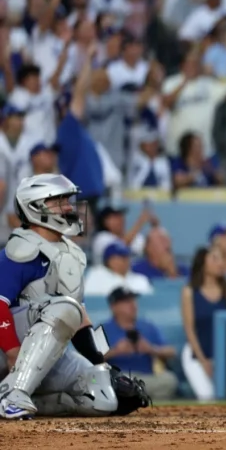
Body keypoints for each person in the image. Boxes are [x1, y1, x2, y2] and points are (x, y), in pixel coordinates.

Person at [0, 173, 150, 419]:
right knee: (65, 308)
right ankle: (13, 392)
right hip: (6, 347)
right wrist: (12, 350)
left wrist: (103, 363)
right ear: (35, 206)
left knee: (103, 398)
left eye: (67, 200)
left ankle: (20, 397)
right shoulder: (19, 250)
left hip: (39, 354)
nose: (69, 207)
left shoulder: (70, 253)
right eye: (59, 201)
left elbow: (81, 317)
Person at [102, 287, 178, 400]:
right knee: (118, 383)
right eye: (127, 302)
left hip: (147, 378)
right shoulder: (104, 329)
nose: (133, 305)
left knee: (169, 379)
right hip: (121, 377)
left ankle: (144, 400)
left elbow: (172, 351)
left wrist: (151, 349)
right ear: (114, 307)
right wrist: (116, 351)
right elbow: (91, 359)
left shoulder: (147, 326)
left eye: (133, 300)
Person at [180, 247, 226, 401]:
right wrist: (203, 361)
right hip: (196, 354)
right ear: (203, 263)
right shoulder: (190, 291)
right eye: (214, 259)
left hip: (222, 355)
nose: (220, 263)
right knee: (207, 397)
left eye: (221, 259)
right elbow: (189, 329)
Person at [83, 241, 154, 296]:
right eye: (121, 257)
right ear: (109, 260)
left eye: (127, 256)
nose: (125, 260)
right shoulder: (96, 275)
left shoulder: (140, 279)